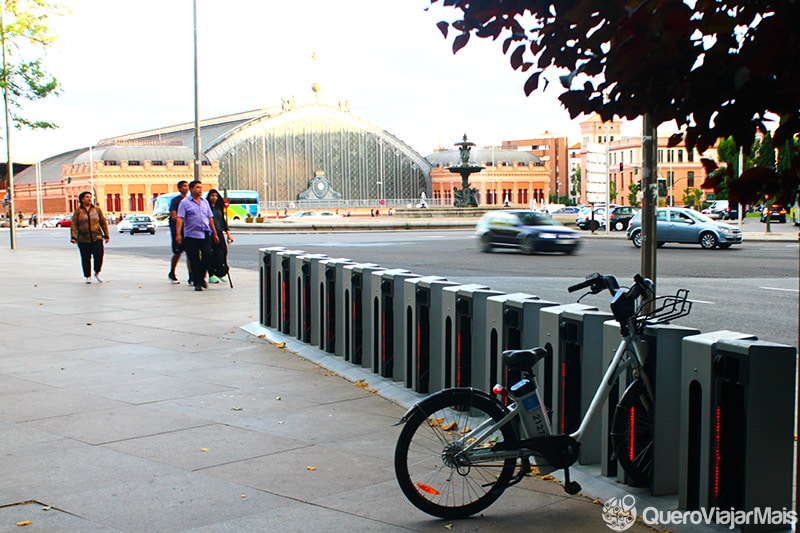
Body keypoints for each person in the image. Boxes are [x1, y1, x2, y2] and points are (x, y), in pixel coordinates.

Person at [175, 181, 218, 291]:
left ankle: (201, 276)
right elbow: (180, 218)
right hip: (191, 235)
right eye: (197, 187)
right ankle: (197, 282)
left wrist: (215, 233)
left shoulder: (205, 202)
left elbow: (210, 218)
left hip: (205, 233)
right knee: (194, 259)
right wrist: (178, 234)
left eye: (201, 187)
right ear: (191, 189)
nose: (200, 190)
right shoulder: (185, 203)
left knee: (207, 255)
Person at [70, 191, 110, 284]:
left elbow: (103, 223)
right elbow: (74, 224)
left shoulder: (97, 209)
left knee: (99, 255)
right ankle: (87, 276)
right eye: (87, 197)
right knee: (85, 257)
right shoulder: (78, 211)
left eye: (90, 197)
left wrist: (106, 235)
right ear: (82, 199)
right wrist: (73, 236)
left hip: (97, 236)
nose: (89, 198)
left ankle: (97, 272)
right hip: (83, 238)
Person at [205, 189, 233, 283]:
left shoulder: (218, 208)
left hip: (219, 232)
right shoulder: (206, 208)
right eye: (212, 196)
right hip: (210, 233)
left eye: (216, 196)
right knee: (211, 254)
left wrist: (228, 233)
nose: (214, 198)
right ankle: (211, 273)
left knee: (222, 252)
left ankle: (219, 271)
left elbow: (222, 220)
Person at [168, 180, 190, 284]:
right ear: (180, 189)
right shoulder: (176, 201)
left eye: (187, 186)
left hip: (189, 230)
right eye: (184, 186)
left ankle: (191, 275)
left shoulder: (191, 200)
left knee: (190, 253)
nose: (186, 188)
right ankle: (172, 272)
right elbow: (173, 216)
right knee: (177, 252)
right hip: (178, 230)